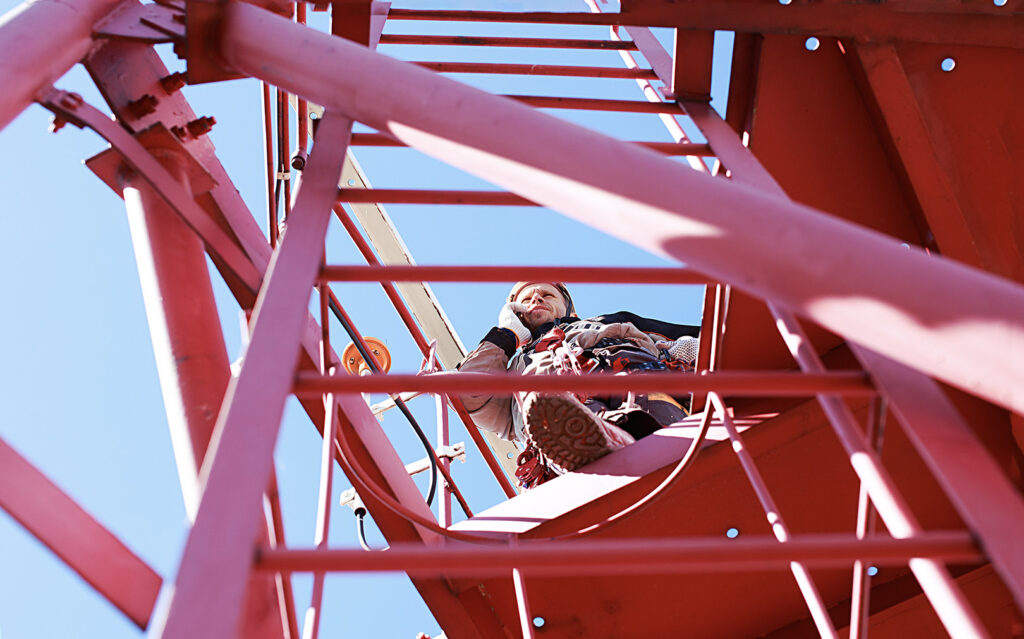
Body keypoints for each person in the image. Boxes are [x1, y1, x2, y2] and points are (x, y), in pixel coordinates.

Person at [458, 282, 700, 488]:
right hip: (562, 407)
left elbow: (703, 337)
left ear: (570, 310)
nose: (537, 299)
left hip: (635, 381)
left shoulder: (609, 322)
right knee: (549, 409)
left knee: (649, 409)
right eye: (527, 299)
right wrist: (508, 333)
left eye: (547, 294)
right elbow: (469, 393)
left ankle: (626, 448)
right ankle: (601, 452)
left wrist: (685, 350)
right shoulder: (510, 369)